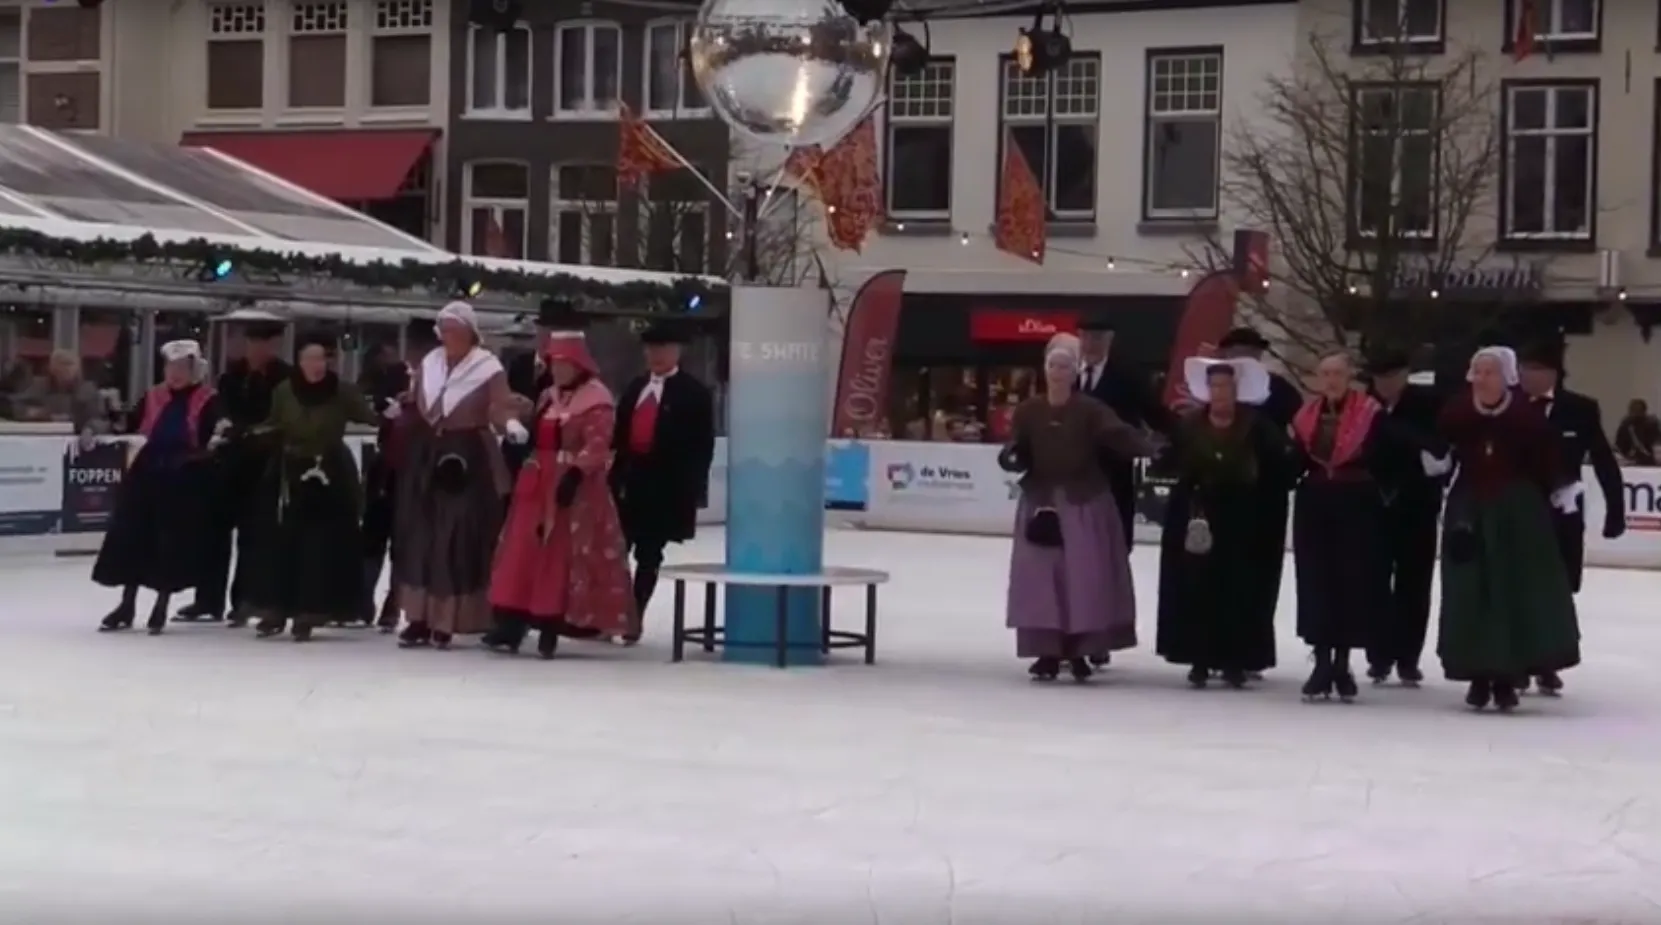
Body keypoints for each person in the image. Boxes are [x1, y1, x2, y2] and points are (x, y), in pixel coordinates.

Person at [998, 332, 1152, 682]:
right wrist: (1011, 456)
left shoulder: (1090, 410)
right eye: (1053, 365)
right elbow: (1017, 447)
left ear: (1074, 371)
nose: (1058, 372)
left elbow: (1119, 435)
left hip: (1085, 502)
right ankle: (1047, 651)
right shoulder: (1029, 410)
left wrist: (1150, 447)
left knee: (1084, 579)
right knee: (1041, 581)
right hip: (1040, 502)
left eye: (1065, 366)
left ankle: (1082, 650)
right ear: (1045, 369)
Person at [1434, 346, 1581, 712]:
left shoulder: (1526, 418)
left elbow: (1547, 460)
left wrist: (1560, 488)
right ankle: (1477, 672)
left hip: (1518, 511)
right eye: (1478, 371)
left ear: (1507, 377)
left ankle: (1507, 674)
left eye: (1490, 372)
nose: (1482, 378)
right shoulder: (1457, 412)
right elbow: (1440, 448)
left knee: (1513, 588)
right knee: (1470, 588)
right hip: (1469, 506)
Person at [484, 312, 635, 658]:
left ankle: (550, 624)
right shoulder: (548, 397)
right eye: (554, 364)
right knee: (521, 551)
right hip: (537, 481)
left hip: (570, 488)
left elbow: (598, 444)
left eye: (564, 364)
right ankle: (511, 622)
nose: (557, 370)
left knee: (558, 556)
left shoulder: (596, 399)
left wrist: (576, 473)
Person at [1154, 356, 1299, 688]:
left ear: (1237, 390)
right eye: (1215, 386)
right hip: (1199, 513)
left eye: (1225, 386)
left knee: (1239, 588)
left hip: (1243, 515)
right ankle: (1199, 657)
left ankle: (1236, 659)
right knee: (1197, 587)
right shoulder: (1190, 424)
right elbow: (1170, 460)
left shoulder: (1257, 426)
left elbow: (1281, 463)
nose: (1219, 393)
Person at [391, 301, 528, 650]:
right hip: (428, 453)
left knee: (455, 537)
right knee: (422, 534)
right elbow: (420, 399)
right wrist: (401, 406)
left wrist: (510, 423)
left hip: (467, 455)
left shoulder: (487, 367)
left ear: (469, 332)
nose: (446, 336)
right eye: (443, 330)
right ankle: (419, 618)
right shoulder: (431, 363)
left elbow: (500, 404)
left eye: (453, 329)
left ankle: (447, 619)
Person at [237, 333, 386, 641]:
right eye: (310, 358)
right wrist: (253, 434)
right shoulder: (285, 390)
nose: (317, 364)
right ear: (300, 362)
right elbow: (275, 421)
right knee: (280, 541)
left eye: (321, 359)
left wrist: (389, 413)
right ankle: (276, 609)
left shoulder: (342, 391)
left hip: (329, 469)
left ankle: (312, 611)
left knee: (320, 544)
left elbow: (369, 417)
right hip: (290, 470)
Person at [92, 340, 223, 635]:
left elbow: (214, 437)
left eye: (182, 367)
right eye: (171, 367)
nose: (175, 373)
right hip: (147, 472)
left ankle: (161, 604)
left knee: (168, 542)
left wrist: (204, 452)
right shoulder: (153, 395)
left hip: (183, 475)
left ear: (194, 369)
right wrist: (111, 417)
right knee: (132, 536)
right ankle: (127, 603)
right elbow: (131, 424)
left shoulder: (208, 399)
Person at [1514, 341, 1623, 695]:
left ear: (1553, 373)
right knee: (1515, 585)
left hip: (1563, 513)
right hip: (1515, 510)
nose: (1526, 375)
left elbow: (1602, 458)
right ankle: (1515, 660)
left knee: (1559, 588)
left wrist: (1616, 510)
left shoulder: (1580, 408)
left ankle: (1548, 660)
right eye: (1523, 367)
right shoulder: (1508, 403)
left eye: (1535, 368)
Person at [1288, 351, 1389, 703]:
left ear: (1350, 376)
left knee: (1350, 580)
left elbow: (1384, 456)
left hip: (1356, 501)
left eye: (1337, 373)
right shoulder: (1306, 416)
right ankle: (1321, 661)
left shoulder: (1370, 414)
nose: (1331, 380)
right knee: (1315, 579)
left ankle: (1342, 663)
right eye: (1326, 373)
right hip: (1316, 501)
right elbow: (1297, 459)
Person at [611, 319, 716, 643]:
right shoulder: (635, 387)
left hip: (665, 486)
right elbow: (619, 434)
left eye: (664, 349)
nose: (656, 355)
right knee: (615, 550)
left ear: (677, 352)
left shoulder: (693, 394)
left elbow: (702, 447)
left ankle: (635, 615)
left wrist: (692, 489)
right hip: (629, 481)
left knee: (649, 553)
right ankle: (612, 613)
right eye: (652, 349)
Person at [180, 320, 289, 625]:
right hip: (227, 463)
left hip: (263, 464)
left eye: (264, 344)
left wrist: (255, 433)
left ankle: (245, 600)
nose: (257, 350)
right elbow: (222, 409)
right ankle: (207, 599)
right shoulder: (231, 376)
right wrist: (227, 428)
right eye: (252, 343)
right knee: (213, 532)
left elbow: (279, 418)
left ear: (274, 346)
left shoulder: (284, 379)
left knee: (253, 536)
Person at [1214, 326, 1302, 680]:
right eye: (1237, 351)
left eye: (1251, 352)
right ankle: (1215, 648)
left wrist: (1288, 470)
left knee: (1261, 575)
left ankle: (1252, 652)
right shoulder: (1212, 387)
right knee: (1218, 575)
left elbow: (1299, 435)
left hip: (1265, 494)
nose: (1244, 358)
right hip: (1220, 491)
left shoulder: (1279, 390)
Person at [1362, 348, 1449, 687]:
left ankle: (1408, 657)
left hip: (1417, 505)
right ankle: (1379, 655)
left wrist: (1395, 431)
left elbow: (1438, 447)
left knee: (1414, 582)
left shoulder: (1428, 404)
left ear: (1404, 375)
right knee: (1374, 581)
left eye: (1391, 377)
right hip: (1374, 505)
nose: (1384, 384)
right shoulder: (1365, 405)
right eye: (1378, 378)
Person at [1075, 319, 1174, 545]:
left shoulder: (1128, 376)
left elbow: (1155, 414)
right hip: (1074, 477)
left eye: (1097, 338)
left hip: (1114, 475)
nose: (1089, 344)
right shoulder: (1067, 374)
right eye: (1085, 337)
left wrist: (1183, 433)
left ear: (1109, 340)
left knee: (1114, 541)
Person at [357, 338, 412, 629]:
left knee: (397, 545)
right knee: (375, 540)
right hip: (387, 472)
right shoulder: (390, 379)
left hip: (406, 474)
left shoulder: (414, 386)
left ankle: (388, 605)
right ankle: (366, 602)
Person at [12, 349, 108, 433]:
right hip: (42, 434)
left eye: (70, 364)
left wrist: (90, 429)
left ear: (78, 367)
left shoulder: (87, 390)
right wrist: (31, 412)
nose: (67, 369)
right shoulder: (39, 386)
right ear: (52, 367)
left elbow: (101, 420)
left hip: (75, 437)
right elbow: (15, 407)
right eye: (62, 364)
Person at [1614, 398, 1660, 466]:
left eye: (1638, 411)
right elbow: (1619, 446)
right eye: (1634, 411)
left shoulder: (1651, 425)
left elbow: (1656, 446)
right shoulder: (1626, 425)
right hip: (1630, 460)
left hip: (1650, 460)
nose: (1636, 414)